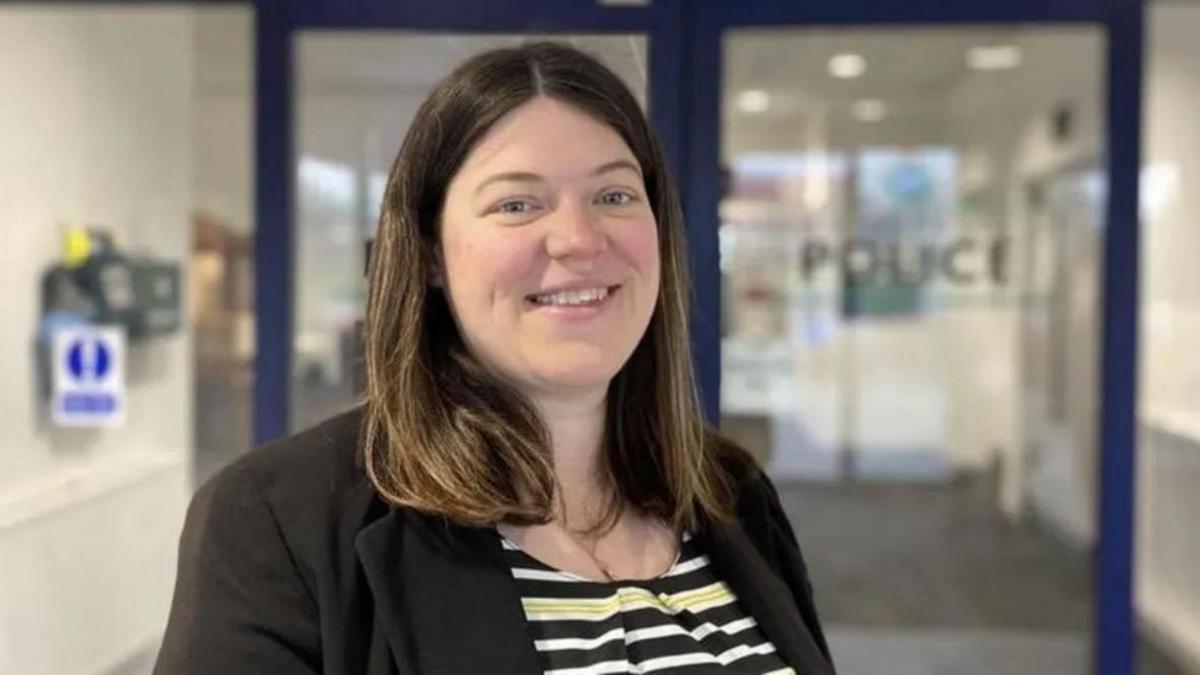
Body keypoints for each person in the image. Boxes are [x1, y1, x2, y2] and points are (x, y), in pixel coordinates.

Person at [154, 41, 833, 675]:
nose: (576, 237)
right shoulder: (278, 519)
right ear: (429, 254)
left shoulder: (731, 493)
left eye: (614, 195)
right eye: (516, 203)